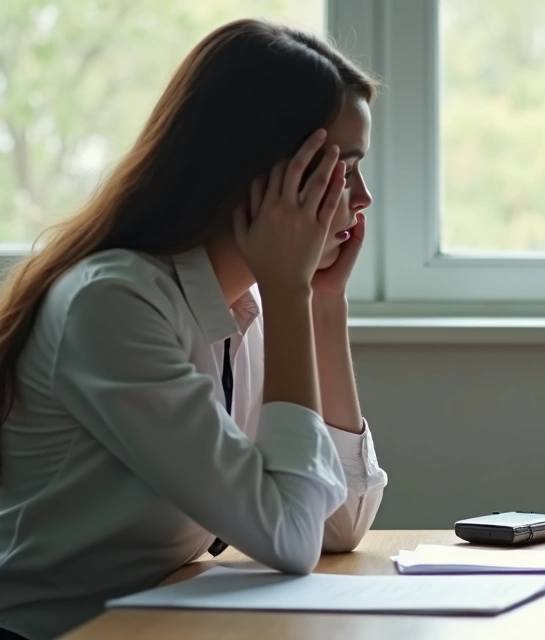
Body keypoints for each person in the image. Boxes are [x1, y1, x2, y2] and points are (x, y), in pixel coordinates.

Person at [0, 19, 389, 640]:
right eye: (339, 167)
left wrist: (322, 306)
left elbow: (336, 524)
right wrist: (291, 296)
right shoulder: (114, 305)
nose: (362, 196)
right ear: (256, 171)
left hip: (158, 620)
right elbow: (291, 537)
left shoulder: (248, 308)